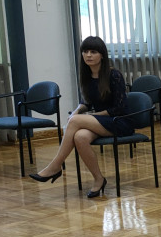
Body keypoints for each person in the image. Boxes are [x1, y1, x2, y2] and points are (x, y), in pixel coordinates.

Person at [29, 36, 131, 198]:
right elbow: (87, 102)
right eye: (85, 51)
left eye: (93, 52)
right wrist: (78, 110)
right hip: (100, 122)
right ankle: (98, 179)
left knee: (75, 121)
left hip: (119, 122)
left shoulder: (114, 75)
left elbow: (119, 108)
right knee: (80, 137)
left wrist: (91, 116)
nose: (88, 55)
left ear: (102, 55)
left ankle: (55, 165)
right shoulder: (87, 76)